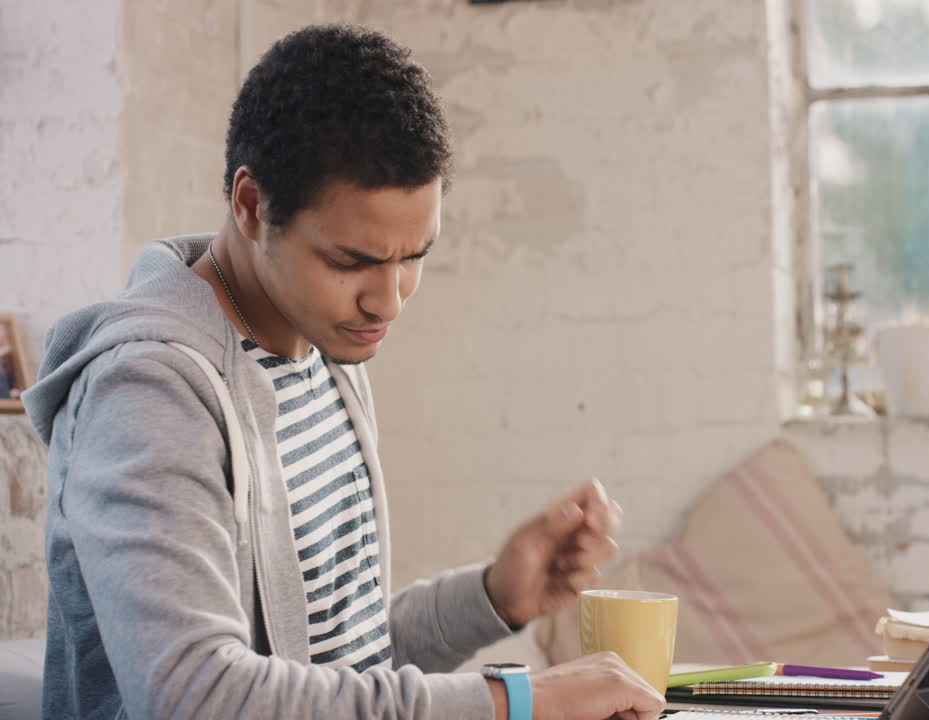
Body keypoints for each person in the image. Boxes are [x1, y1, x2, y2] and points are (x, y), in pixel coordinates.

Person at [23, 24, 665, 720]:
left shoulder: (322, 349)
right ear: (250, 204)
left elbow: (331, 670)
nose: (387, 301)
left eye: (414, 257)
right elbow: (198, 697)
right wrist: (515, 699)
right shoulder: (148, 392)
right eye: (352, 262)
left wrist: (493, 597)